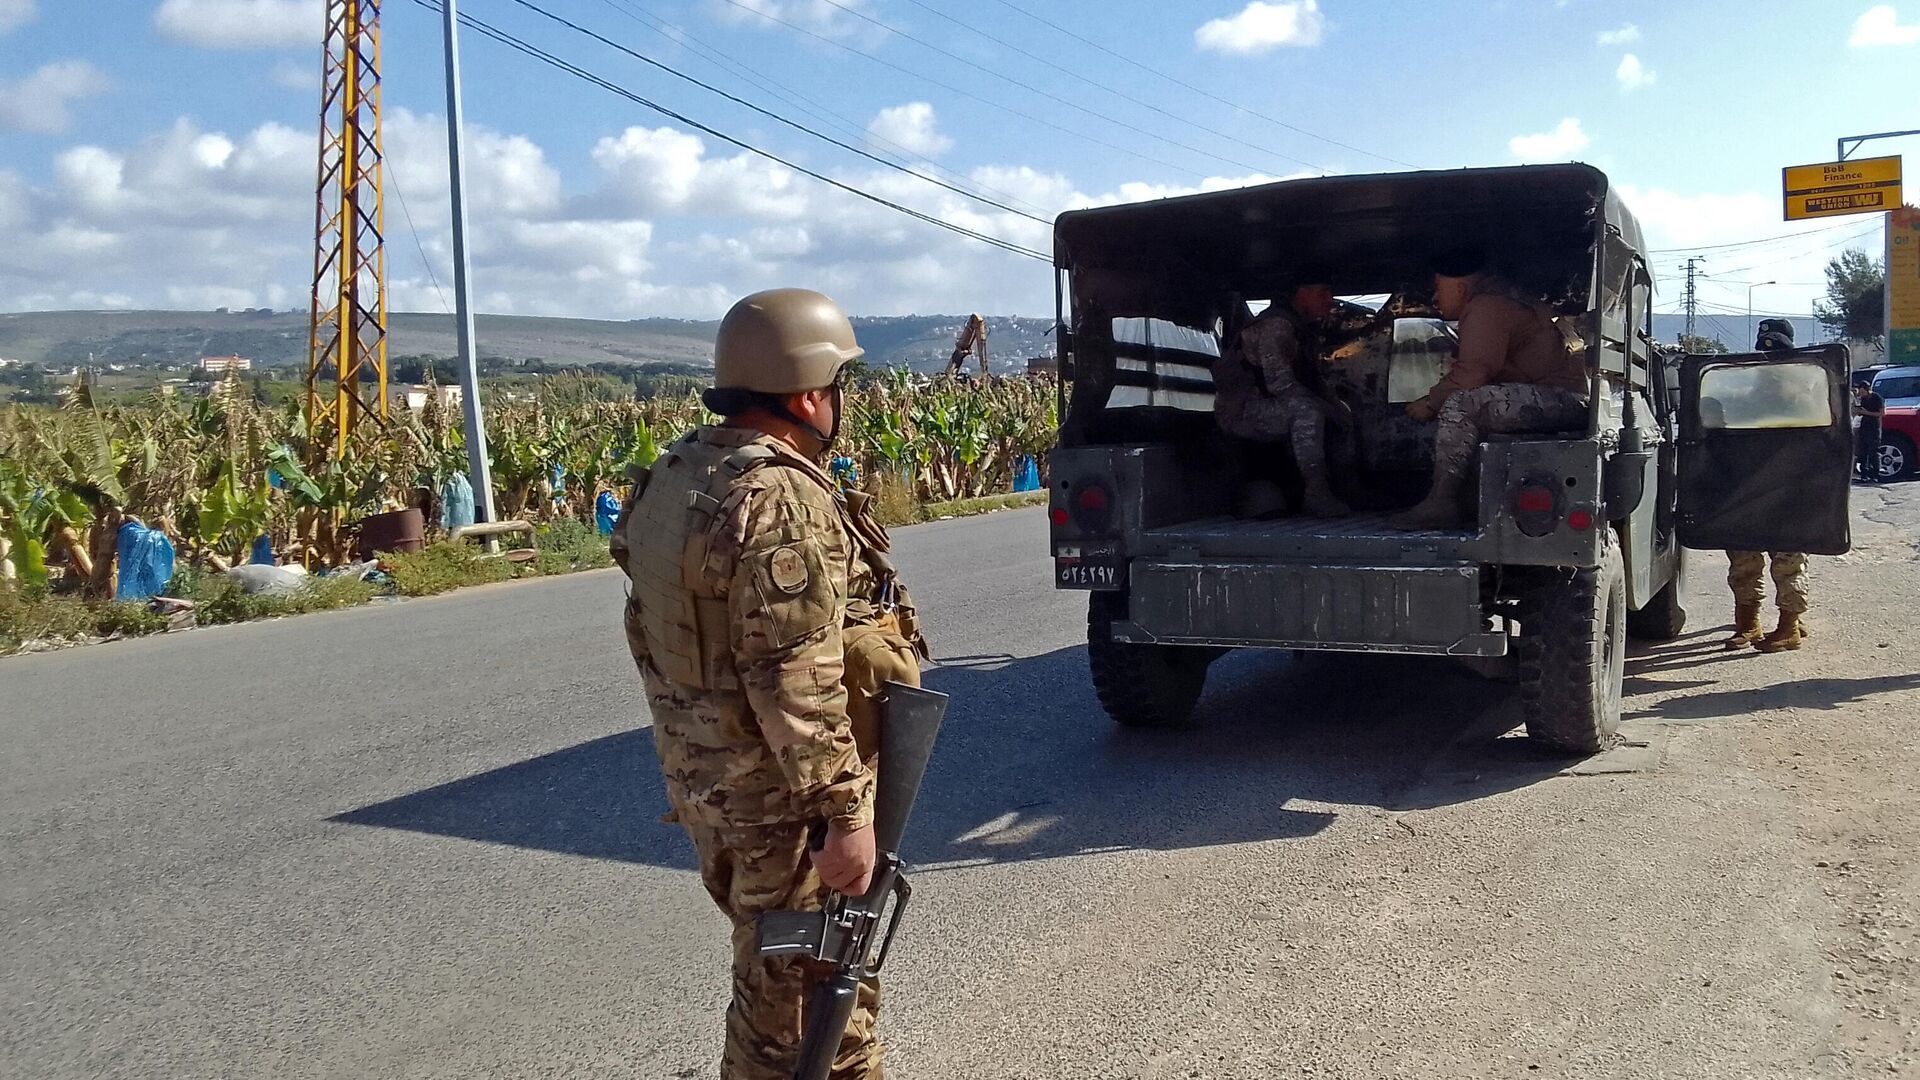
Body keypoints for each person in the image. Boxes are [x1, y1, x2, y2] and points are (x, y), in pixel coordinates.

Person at [613, 288, 926, 1080]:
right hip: (781, 800)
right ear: (811, 393)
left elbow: (654, 633)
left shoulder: (686, 472)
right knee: (812, 1009)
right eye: (840, 388)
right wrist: (844, 813)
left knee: (774, 979)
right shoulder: (778, 499)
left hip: (710, 782)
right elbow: (796, 679)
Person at [1390, 249, 1589, 530]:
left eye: (1438, 289)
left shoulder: (1487, 305)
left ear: (1460, 287)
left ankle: (1440, 503)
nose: (1434, 298)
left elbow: (1473, 373)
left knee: (1463, 403)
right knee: (1473, 403)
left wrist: (1430, 403)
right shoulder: (1505, 299)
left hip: (1562, 400)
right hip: (1561, 399)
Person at [1212, 274, 1351, 518]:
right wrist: (1324, 406)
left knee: (1341, 411)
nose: (1330, 300)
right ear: (1301, 293)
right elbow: (1281, 384)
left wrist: (1338, 408)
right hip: (1243, 411)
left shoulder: (1301, 327)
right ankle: (1317, 494)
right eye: (1322, 292)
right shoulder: (1276, 325)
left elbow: (1314, 380)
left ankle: (1348, 486)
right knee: (1307, 411)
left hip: (1268, 404)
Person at [1724, 318, 1810, 652]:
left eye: (1777, 353)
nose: (1769, 361)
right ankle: (1749, 623)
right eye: (1764, 352)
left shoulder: (1806, 393)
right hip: (1751, 488)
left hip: (1790, 490)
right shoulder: (1747, 396)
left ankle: (1789, 626)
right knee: (1743, 557)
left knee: (1789, 560)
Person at [1856, 380, 1887, 482]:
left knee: (1873, 452)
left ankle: (1876, 474)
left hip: (1874, 427)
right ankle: (1864, 474)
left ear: (1868, 389)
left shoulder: (1877, 398)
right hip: (1864, 426)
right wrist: (1859, 412)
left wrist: (1866, 412)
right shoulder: (1863, 399)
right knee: (1863, 451)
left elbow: (1881, 413)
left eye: (1863, 392)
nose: (1861, 394)